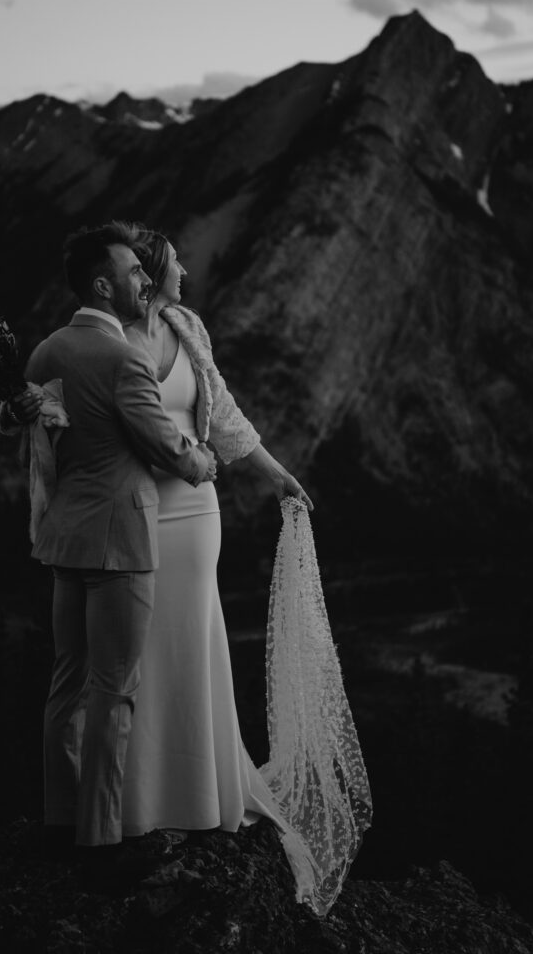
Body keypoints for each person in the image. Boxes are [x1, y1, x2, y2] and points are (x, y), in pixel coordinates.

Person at [118, 228, 371, 914]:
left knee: (193, 642)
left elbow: (222, 413)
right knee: (143, 648)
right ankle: (146, 798)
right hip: (136, 514)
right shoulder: (113, 339)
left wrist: (277, 474)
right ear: (145, 274)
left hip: (198, 515)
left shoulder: (186, 326)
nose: (188, 271)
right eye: (176, 263)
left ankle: (202, 793)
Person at [2, 222, 217, 881]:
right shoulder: (124, 358)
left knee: (66, 683)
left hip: (66, 535)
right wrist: (204, 462)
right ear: (103, 284)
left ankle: (61, 821)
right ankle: (101, 840)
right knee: (116, 688)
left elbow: (30, 425)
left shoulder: (47, 351)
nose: (145, 282)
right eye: (132, 273)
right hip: (122, 538)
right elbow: (161, 443)